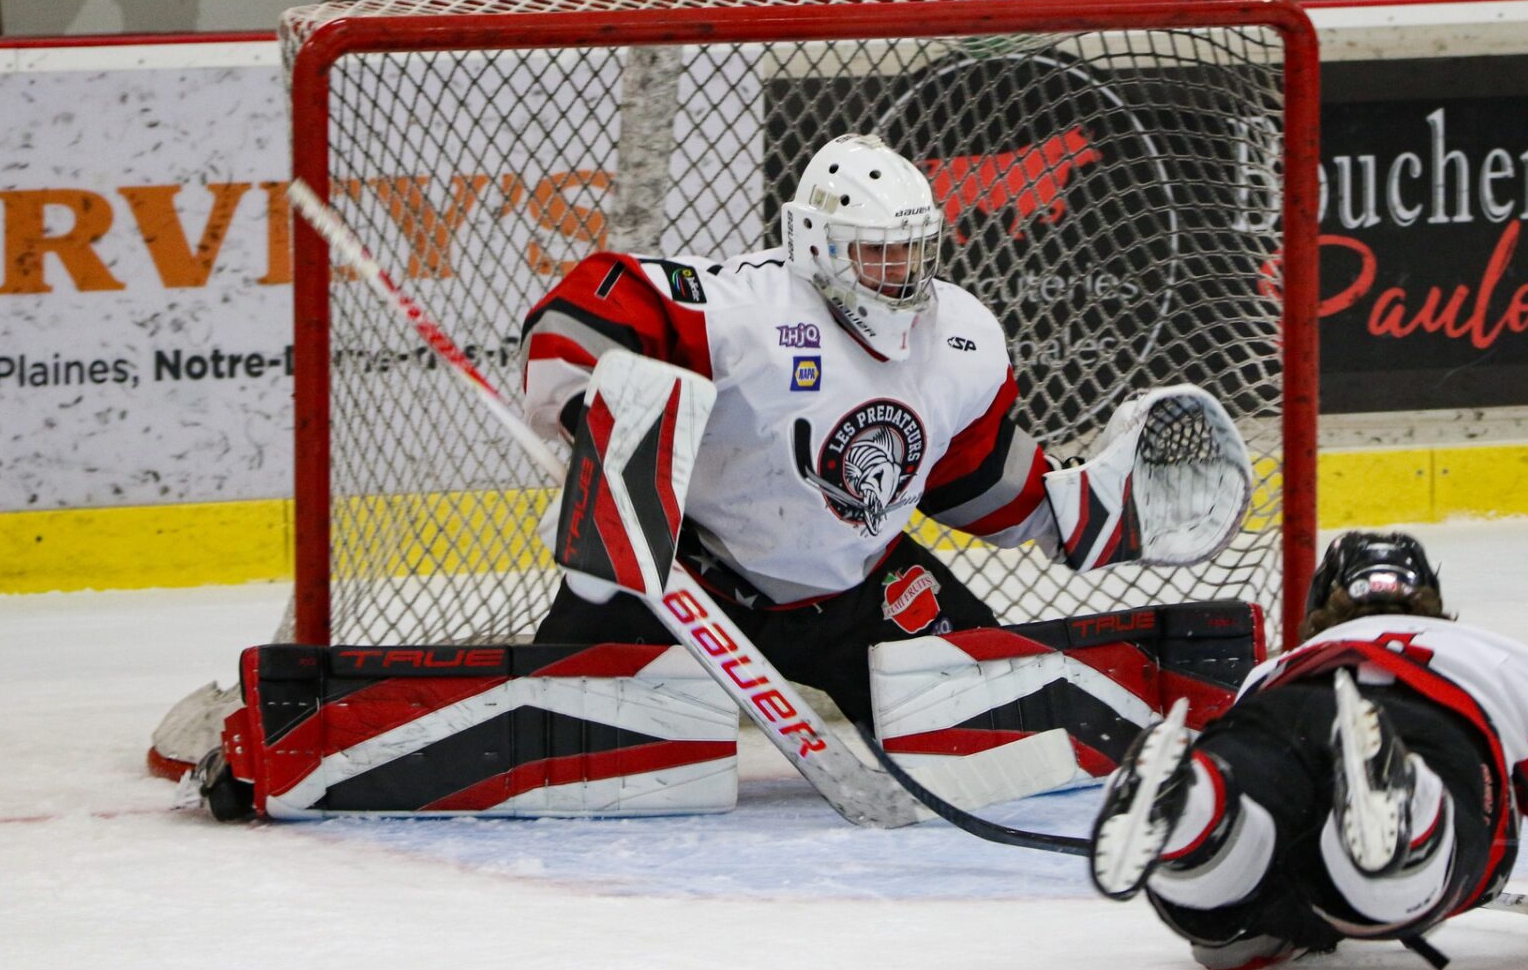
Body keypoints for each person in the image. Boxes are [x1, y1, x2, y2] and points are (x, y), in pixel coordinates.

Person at [518, 133, 1248, 731]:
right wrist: (599, 421)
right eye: (876, 251)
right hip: (684, 582)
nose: (901, 272)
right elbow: (590, 306)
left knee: (1003, 724)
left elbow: (970, 471)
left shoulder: (962, 335)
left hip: (862, 594)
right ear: (817, 243)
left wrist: (1071, 503)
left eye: (913, 249)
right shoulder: (746, 308)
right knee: (552, 740)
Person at [1089, 530, 1528, 970]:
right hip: (1427, 724)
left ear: (1319, 611)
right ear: (1432, 604)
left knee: (1237, 901)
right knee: (1391, 882)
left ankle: (1199, 811)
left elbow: (1239, 955)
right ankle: (1408, 810)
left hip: (1279, 714)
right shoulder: (1487, 651)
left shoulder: (1272, 670)